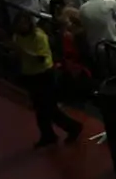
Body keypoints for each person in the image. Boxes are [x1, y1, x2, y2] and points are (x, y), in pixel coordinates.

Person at [11, 13, 84, 148]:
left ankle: (73, 127)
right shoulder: (18, 37)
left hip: (44, 74)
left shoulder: (39, 37)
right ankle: (48, 134)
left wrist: (23, 51)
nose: (21, 26)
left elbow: (42, 58)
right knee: (40, 108)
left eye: (23, 23)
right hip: (30, 74)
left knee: (48, 107)